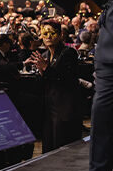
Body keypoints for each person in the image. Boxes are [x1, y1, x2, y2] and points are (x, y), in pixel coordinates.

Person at [27, 21, 82, 153]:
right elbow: (42, 84)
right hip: (49, 108)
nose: (48, 37)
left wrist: (46, 69)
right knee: (49, 147)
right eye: (45, 33)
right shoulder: (45, 55)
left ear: (60, 35)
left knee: (63, 148)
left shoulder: (68, 53)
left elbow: (67, 80)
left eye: (52, 33)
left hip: (65, 107)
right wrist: (41, 72)